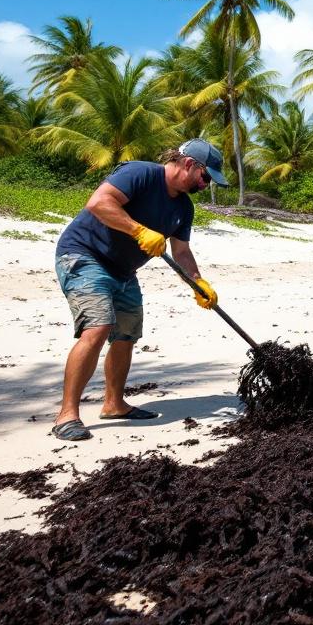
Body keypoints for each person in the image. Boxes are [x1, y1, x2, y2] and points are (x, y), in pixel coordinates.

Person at [50, 139, 227, 441]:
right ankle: (66, 415)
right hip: (84, 255)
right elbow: (98, 203)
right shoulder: (140, 174)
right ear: (189, 164)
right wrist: (139, 230)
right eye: (205, 176)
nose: (205, 183)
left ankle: (114, 404)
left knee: (127, 333)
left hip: (123, 270)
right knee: (99, 326)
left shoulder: (184, 207)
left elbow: (181, 252)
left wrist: (199, 283)